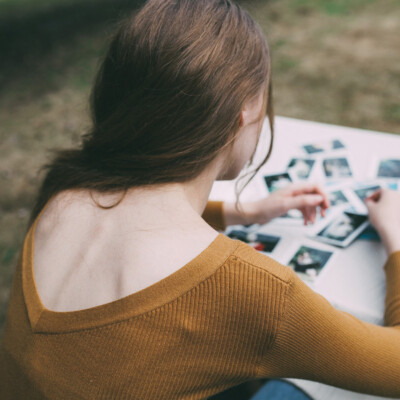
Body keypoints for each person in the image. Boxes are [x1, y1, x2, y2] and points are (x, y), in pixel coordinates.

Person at [1, 0, 400, 399]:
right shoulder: (253, 291)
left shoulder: (63, 190)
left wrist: (244, 212)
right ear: (245, 108)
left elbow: (137, 235)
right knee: (297, 390)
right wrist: (396, 241)